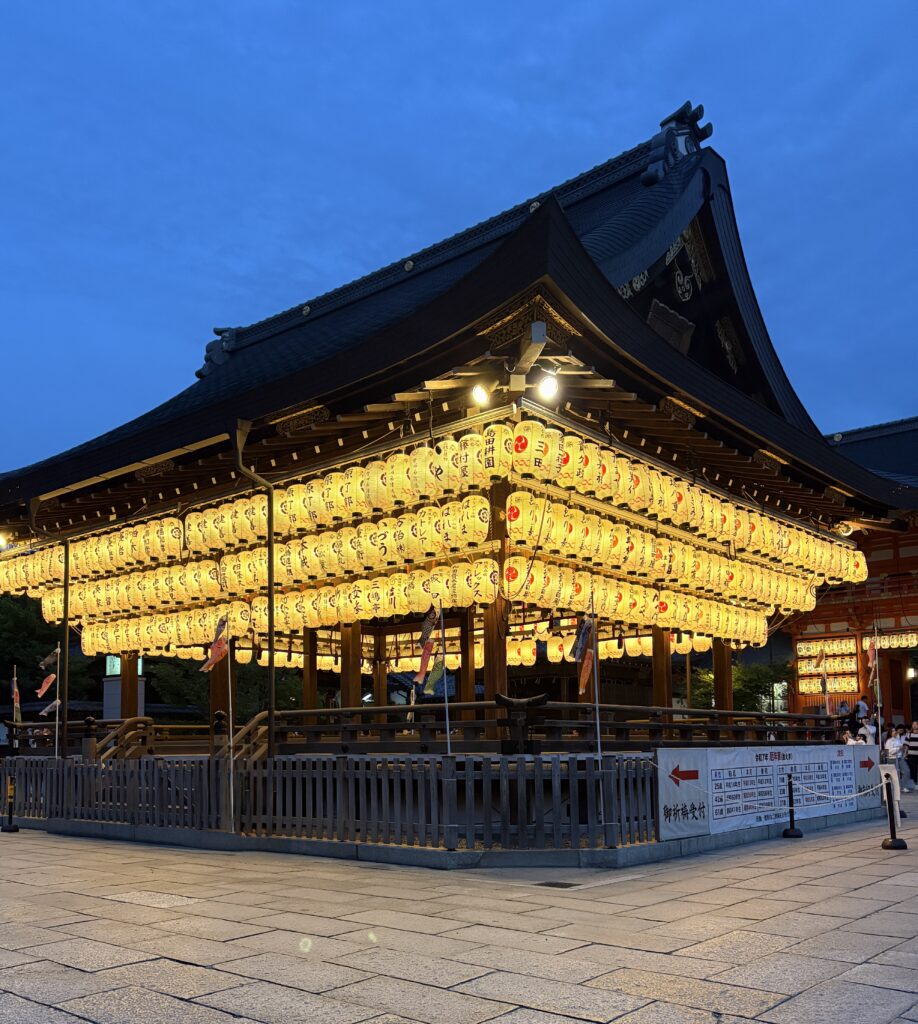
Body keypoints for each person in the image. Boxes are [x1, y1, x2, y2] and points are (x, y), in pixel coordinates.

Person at [906, 721, 918, 788]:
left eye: (916, 724)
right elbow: (906, 745)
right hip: (911, 755)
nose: (915, 725)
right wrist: (905, 754)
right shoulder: (909, 734)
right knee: (913, 769)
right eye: (913, 724)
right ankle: (915, 783)